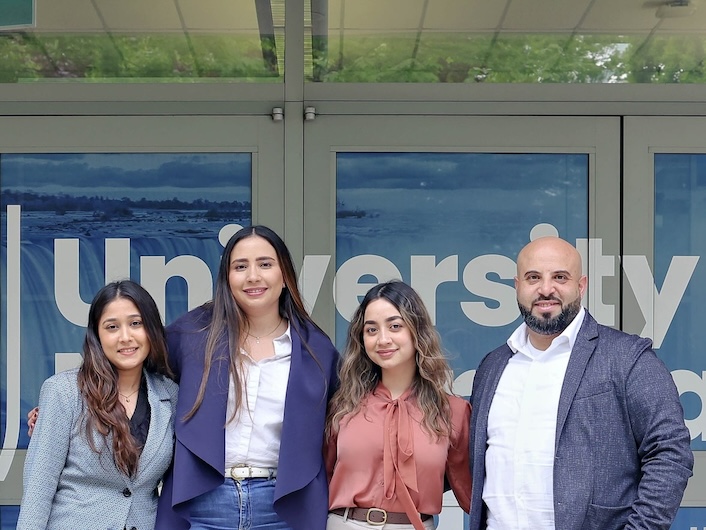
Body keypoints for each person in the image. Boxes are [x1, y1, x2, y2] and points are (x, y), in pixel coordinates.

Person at [468, 236, 694, 530]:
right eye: (533, 277)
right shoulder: (493, 366)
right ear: (517, 286)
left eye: (560, 277)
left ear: (581, 285)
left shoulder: (627, 358)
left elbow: (670, 452)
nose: (546, 289)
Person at [155, 225, 340, 530]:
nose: (253, 276)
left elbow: (348, 417)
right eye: (240, 266)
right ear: (227, 278)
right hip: (203, 502)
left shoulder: (316, 349)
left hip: (282, 507)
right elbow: (136, 383)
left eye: (265, 264)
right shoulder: (191, 334)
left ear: (285, 277)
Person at [17, 280, 178, 530]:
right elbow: (40, 484)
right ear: (97, 335)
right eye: (112, 327)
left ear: (152, 329)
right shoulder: (63, 391)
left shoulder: (170, 394)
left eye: (136, 323)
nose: (126, 337)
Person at [325, 280, 471, 530]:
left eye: (395, 326)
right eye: (371, 330)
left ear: (417, 332)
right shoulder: (343, 405)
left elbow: (472, 496)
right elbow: (318, 481)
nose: (383, 339)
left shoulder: (453, 413)